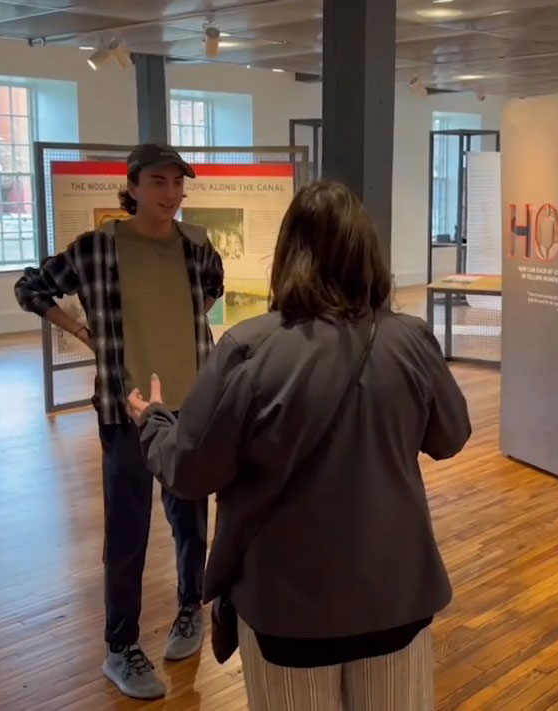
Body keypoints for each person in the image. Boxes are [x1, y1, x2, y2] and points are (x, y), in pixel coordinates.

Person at [127, 181, 471, 710]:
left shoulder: (248, 348)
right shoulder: (411, 339)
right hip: (396, 595)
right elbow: (451, 436)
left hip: (286, 605)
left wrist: (152, 421)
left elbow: (189, 469)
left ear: (290, 254)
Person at [14, 144, 223, 700]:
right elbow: (31, 287)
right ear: (131, 186)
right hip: (125, 411)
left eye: (179, 183)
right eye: (159, 182)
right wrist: (82, 331)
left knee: (190, 523)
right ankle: (120, 646)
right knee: (127, 535)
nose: (171, 194)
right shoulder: (98, 248)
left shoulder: (198, 247)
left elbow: (209, 294)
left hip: (189, 408)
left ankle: (189, 610)